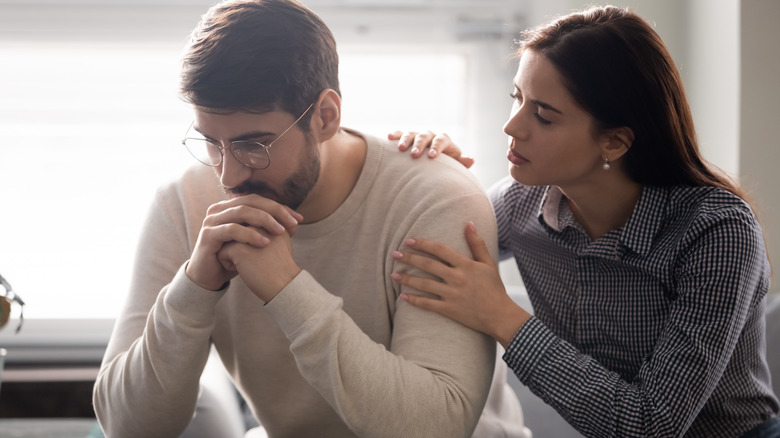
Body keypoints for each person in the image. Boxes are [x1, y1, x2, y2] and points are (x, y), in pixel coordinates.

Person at [91, 0, 529, 437]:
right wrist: (194, 288)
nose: (229, 174)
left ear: (325, 116)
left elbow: (435, 428)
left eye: (254, 144)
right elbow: (126, 428)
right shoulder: (183, 204)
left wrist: (287, 289)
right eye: (210, 142)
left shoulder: (436, 199)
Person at [390, 5, 780, 438]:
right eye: (517, 98)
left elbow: (650, 425)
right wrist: (437, 174)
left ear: (614, 142)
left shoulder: (718, 231)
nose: (512, 126)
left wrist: (501, 314)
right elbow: (428, 241)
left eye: (543, 115)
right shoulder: (520, 203)